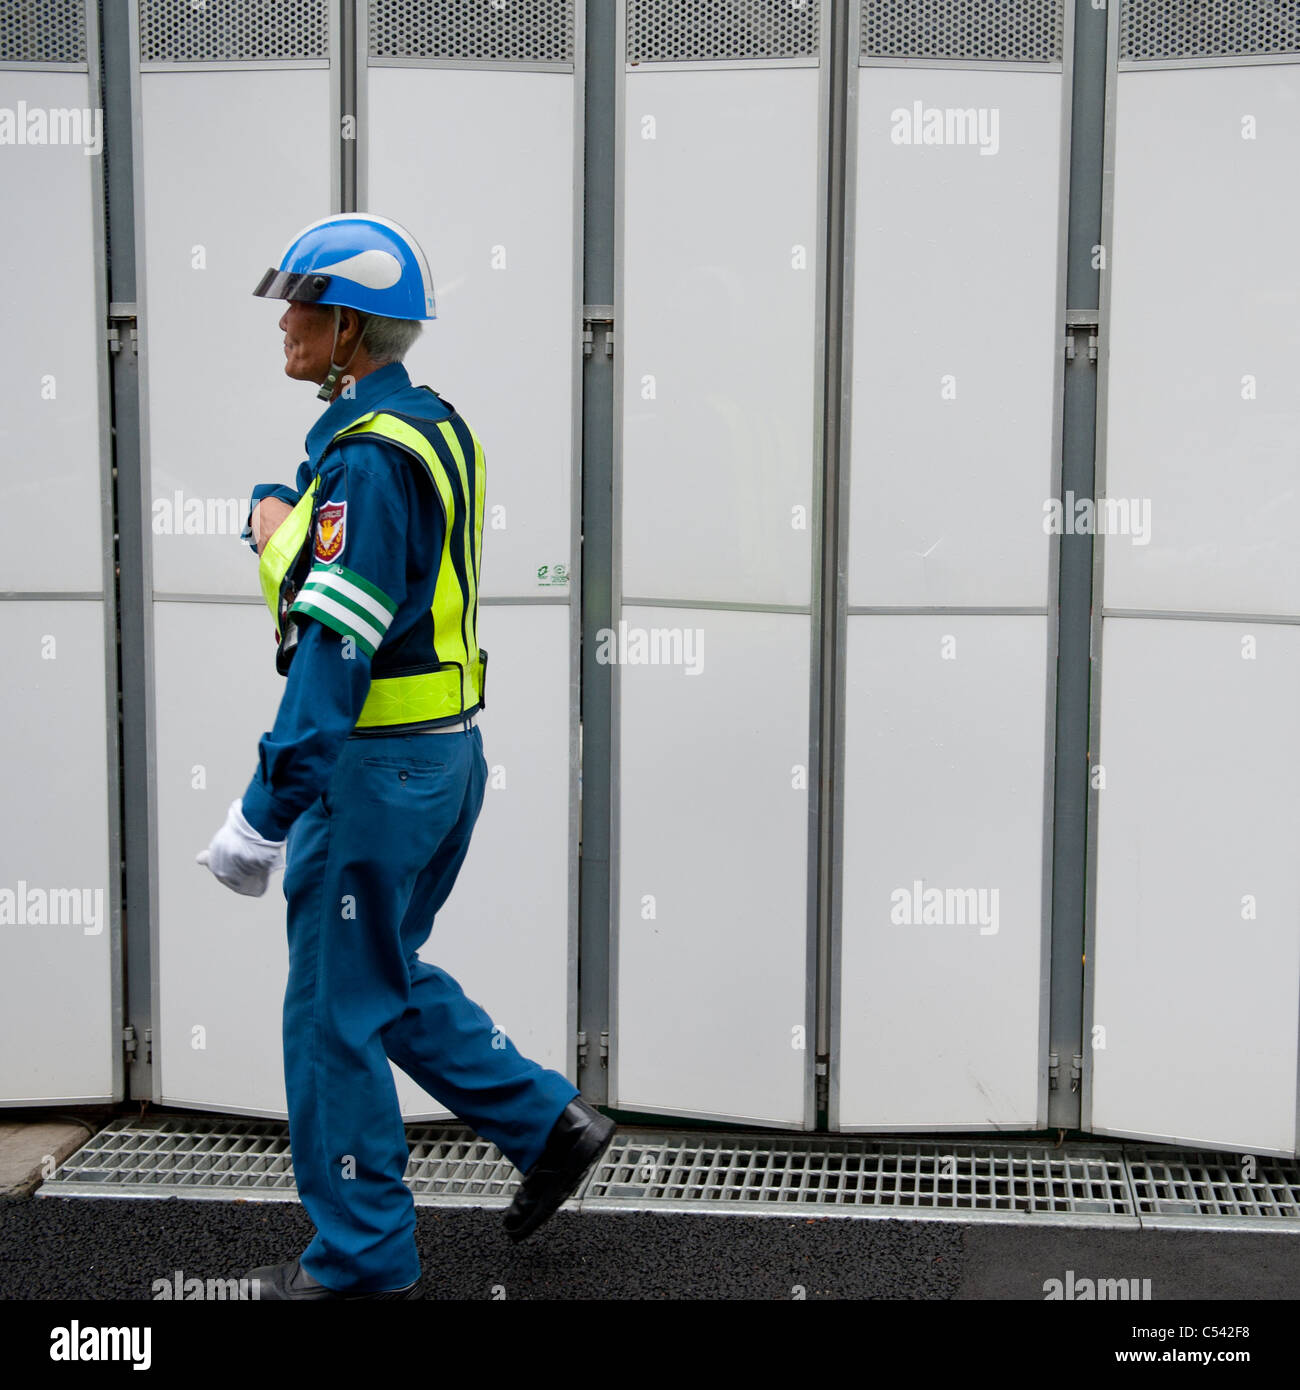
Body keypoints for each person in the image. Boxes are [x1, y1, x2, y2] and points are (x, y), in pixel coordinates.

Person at [196, 213, 614, 1300]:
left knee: (332, 1021)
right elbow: (373, 590)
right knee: (378, 973)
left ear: (346, 325)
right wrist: (283, 519)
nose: (281, 320)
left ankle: (360, 1266)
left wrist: (261, 810)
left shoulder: (368, 461)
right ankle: (544, 1121)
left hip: (371, 770)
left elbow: (335, 643)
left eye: (297, 303)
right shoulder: (427, 426)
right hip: (442, 762)